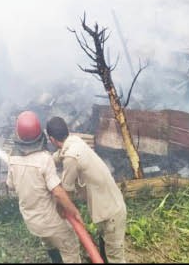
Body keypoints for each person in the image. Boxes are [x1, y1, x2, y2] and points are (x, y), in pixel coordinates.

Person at [46, 117, 128, 264]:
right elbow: (58, 156)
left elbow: (66, 192)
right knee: (105, 251)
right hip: (108, 208)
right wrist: (43, 163)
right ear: (67, 130)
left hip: (111, 214)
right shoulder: (75, 141)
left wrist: (60, 207)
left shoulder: (71, 157)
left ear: (51, 139)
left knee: (115, 258)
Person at [7, 111, 83, 264]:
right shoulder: (44, 159)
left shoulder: (12, 158)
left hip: (32, 221)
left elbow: (11, 185)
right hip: (51, 221)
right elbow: (58, 192)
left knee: (49, 243)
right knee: (70, 246)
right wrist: (74, 211)